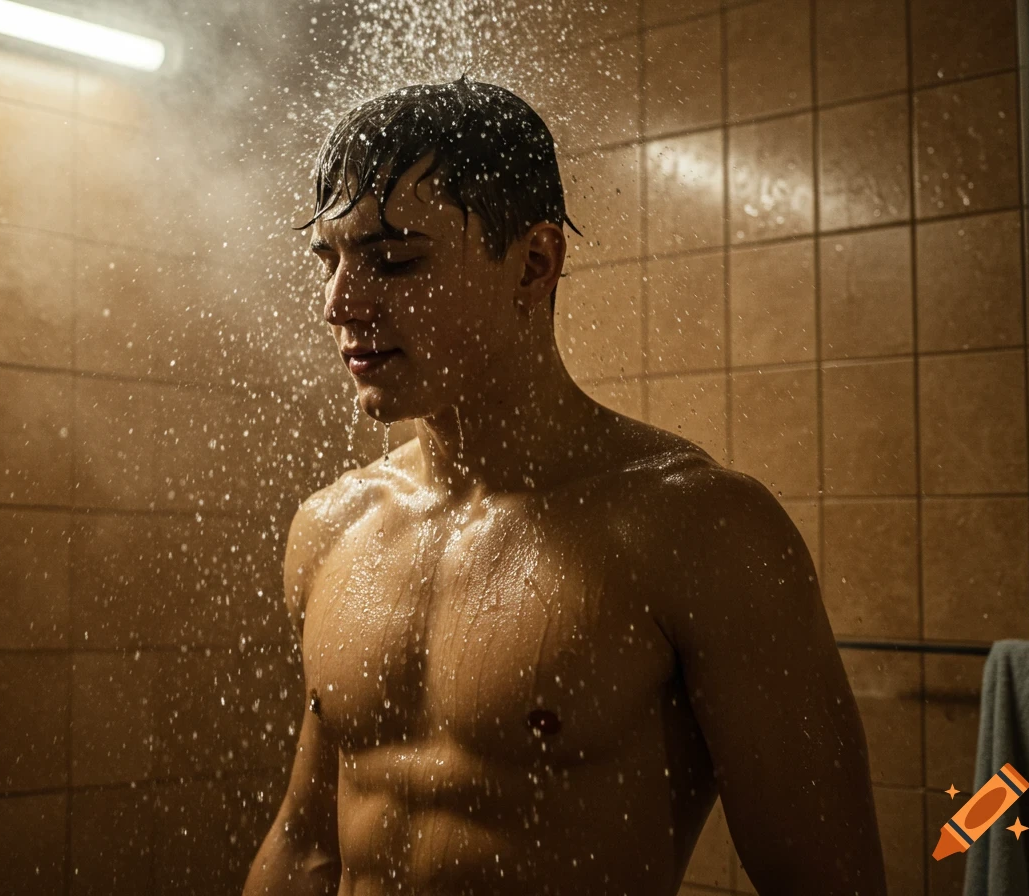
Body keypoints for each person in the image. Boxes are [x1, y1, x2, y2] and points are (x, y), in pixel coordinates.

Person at [242, 76, 887, 896]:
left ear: (535, 263)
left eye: (396, 261)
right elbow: (304, 850)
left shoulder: (697, 529)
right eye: (329, 260)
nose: (342, 303)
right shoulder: (333, 527)